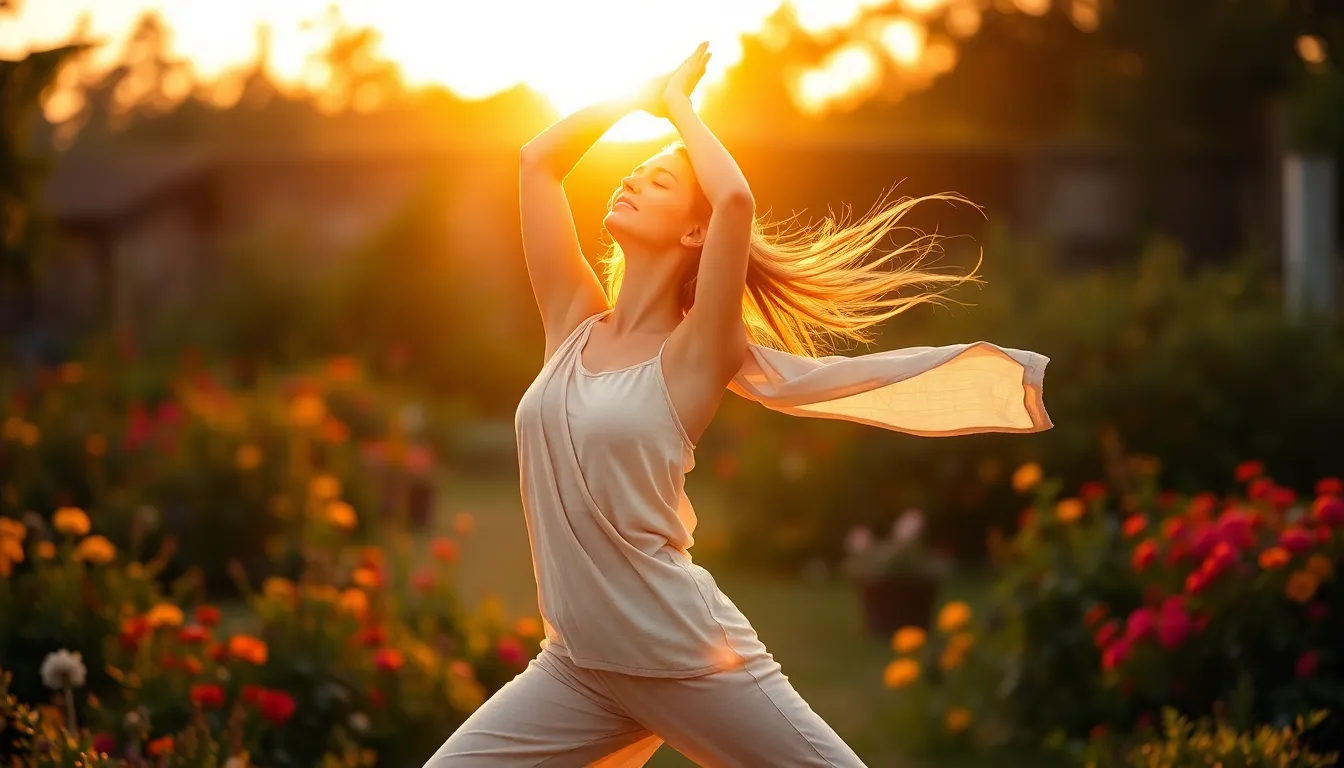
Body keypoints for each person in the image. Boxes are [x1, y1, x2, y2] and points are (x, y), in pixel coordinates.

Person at [424, 42, 1051, 768]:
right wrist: (643, 95)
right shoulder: (572, 322)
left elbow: (736, 200)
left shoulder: (696, 352)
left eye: (656, 181)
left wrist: (681, 109)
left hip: (687, 657)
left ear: (694, 233)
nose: (628, 181)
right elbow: (538, 160)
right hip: (577, 666)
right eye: (633, 172)